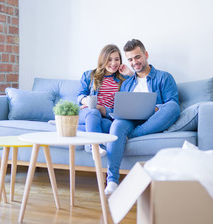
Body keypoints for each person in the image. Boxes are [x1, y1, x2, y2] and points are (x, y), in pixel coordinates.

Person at [104, 39, 181, 195]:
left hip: (154, 119)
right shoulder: (126, 83)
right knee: (117, 124)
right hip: (130, 119)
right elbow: (122, 107)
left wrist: (154, 108)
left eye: (137, 57)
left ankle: (131, 136)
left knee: (173, 107)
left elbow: (172, 103)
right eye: (130, 59)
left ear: (146, 55)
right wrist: (105, 110)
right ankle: (112, 180)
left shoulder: (164, 77)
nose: (134, 62)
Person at [77, 44, 133, 155]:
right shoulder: (89, 75)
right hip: (88, 111)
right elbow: (80, 96)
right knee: (93, 112)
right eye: (109, 60)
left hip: (108, 116)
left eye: (117, 59)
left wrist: (130, 73)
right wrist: (86, 101)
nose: (113, 63)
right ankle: (96, 147)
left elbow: (134, 92)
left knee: (109, 126)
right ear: (103, 60)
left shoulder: (124, 78)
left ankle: (82, 130)